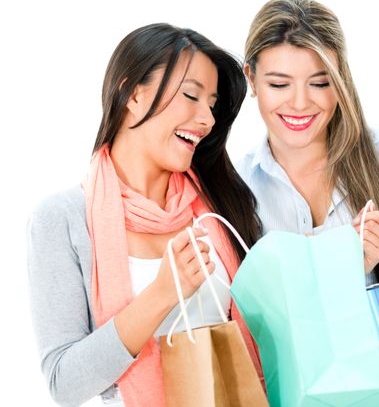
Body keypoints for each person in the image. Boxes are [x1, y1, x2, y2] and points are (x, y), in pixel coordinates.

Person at [27, 23, 263, 406]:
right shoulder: (62, 219)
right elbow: (64, 382)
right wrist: (162, 295)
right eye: (192, 95)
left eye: (213, 104)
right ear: (132, 94)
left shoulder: (221, 205)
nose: (207, 119)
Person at [237, 0, 379, 284]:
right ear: (251, 78)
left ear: (340, 80)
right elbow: (248, 315)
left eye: (321, 83)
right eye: (279, 84)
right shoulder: (238, 187)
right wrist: (337, 268)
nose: (300, 103)